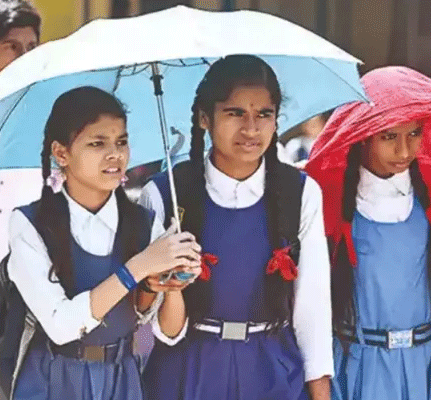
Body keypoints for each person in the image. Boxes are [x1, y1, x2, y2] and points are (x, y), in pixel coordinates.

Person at [304, 66, 431, 400]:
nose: (404, 151)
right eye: (389, 136)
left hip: (428, 366)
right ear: (363, 133)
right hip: (357, 364)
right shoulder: (326, 192)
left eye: (414, 133)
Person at [140, 55, 333, 400]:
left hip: (272, 371)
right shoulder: (166, 194)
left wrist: (320, 393)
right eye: (235, 113)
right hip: (185, 371)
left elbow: (312, 308)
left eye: (264, 114)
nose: (251, 129)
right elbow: (152, 319)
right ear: (204, 118)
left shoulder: (300, 193)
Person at [7, 86, 201, 399]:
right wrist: (138, 267)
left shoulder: (143, 223)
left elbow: (170, 333)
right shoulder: (30, 224)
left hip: (121, 379)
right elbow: (61, 326)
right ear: (61, 153)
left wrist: (172, 282)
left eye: (121, 142)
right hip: (52, 379)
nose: (115, 154)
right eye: (97, 143)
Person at [0, 0, 42, 260]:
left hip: (27, 253)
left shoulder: (45, 109)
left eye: (31, 47)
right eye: (12, 47)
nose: (24, 57)